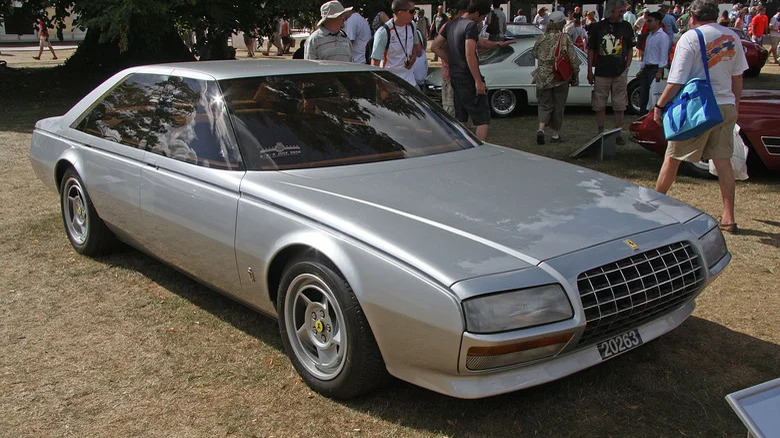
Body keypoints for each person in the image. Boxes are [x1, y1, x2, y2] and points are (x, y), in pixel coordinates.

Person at [652, 0, 748, 234]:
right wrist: (735, 104)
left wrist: (659, 104)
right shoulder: (733, 37)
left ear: (692, 17)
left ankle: (654, 206)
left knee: (672, 157)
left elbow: (677, 79)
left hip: (699, 107)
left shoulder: (691, 37)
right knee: (723, 161)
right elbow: (738, 76)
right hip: (725, 105)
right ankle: (728, 217)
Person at [431, 0, 514, 140]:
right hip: (468, 76)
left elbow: (435, 46)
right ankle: (480, 149)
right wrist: (478, 80)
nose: (483, 20)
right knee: (482, 118)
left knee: (461, 115)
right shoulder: (471, 26)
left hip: (455, 75)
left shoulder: (451, 24)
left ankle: (462, 146)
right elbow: (470, 53)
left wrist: (452, 61)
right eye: (482, 17)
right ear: (476, 13)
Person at [586, 0, 634, 143]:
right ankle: (600, 131)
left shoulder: (626, 26)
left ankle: (618, 132)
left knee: (619, 104)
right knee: (599, 103)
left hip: (619, 72)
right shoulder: (598, 27)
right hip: (601, 72)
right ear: (611, 11)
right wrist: (590, 70)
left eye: (623, 10)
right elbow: (591, 50)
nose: (622, 13)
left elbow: (631, 47)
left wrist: (627, 66)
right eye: (620, 10)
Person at [532, 11, 581, 144]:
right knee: (558, 105)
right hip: (559, 76)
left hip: (542, 76)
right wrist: (575, 74)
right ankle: (555, 135)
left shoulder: (542, 38)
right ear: (562, 24)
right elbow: (573, 59)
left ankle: (541, 129)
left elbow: (534, 53)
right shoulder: (564, 38)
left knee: (544, 105)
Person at [370, 0, 423, 86]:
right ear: (401, 12)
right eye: (412, 11)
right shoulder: (383, 33)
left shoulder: (411, 25)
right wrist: (381, 88)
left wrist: (413, 56)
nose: (414, 14)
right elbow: (375, 63)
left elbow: (417, 48)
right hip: (389, 84)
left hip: (410, 82)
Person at [431, 0, 469, 115]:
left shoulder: (466, 26)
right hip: (450, 75)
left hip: (462, 75)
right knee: (450, 110)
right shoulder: (449, 26)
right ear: (462, 12)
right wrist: (453, 61)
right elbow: (435, 47)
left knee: (462, 110)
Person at [636, 12, 670, 116]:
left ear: (657, 22)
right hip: (647, 68)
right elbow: (646, 54)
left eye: (650, 21)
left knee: (653, 96)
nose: (648, 23)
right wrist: (641, 68)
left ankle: (652, 119)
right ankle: (642, 118)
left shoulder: (663, 36)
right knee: (643, 96)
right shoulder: (650, 36)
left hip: (655, 69)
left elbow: (663, 55)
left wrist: (660, 71)